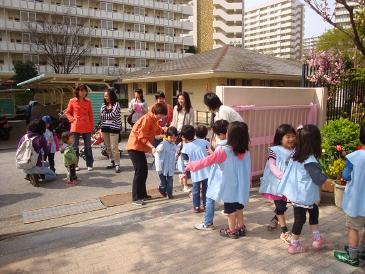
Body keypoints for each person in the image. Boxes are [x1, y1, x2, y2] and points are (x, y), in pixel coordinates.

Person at [186, 121, 251, 239]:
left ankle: (232, 231)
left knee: (230, 210)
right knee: (239, 207)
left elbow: (207, 161)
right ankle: (241, 227)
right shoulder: (245, 151)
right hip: (241, 186)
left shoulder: (224, 150)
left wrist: (192, 166)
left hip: (229, 187)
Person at [277, 125, 327, 254]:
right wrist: (324, 176)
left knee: (302, 218)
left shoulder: (295, 155)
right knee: (311, 215)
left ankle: (296, 244)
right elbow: (318, 179)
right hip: (306, 195)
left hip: (297, 194)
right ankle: (313, 240)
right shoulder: (310, 160)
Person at [334, 124, 365, 267]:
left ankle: (352, 256)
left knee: (353, 228)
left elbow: (346, 176)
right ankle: (362, 250)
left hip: (357, 202)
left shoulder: (354, 157)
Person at [259, 124, 296, 244]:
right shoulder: (274, 150)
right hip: (276, 184)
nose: (291, 139)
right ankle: (285, 231)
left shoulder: (295, 150)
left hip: (288, 183)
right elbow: (272, 165)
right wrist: (281, 176)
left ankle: (275, 219)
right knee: (280, 207)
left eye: (293, 136)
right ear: (280, 138)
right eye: (288, 137)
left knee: (283, 205)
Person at [126, 103, 168, 206]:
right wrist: (152, 147)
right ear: (156, 113)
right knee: (139, 171)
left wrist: (166, 130)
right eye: (161, 115)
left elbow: (158, 130)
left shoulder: (153, 120)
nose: (162, 118)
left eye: (163, 116)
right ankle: (136, 197)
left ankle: (142, 194)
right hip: (134, 147)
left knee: (144, 171)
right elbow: (142, 137)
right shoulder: (147, 119)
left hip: (139, 148)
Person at [194, 119, 229, 231]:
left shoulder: (221, 147)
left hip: (218, 176)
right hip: (227, 176)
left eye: (216, 134)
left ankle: (208, 223)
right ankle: (236, 222)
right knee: (229, 199)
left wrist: (212, 154)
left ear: (221, 134)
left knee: (209, 198)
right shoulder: (231, 145)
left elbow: (216, 161)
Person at [180, 125, 210, 213]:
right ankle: (206, 205)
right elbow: (210, 152)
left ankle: (196, 207)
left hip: (195, 172)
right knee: (206, 189)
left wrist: (185, 173)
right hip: (207, 170)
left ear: (184, 137)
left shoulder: (185, 148)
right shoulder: (204, 142)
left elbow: (186, 163)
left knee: (196, 190)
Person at [18, 119, 57, 186]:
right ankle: (37, 176)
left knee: (46, 164)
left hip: (24, 165)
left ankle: (29, 174)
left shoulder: (24, 137)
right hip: (36, 166)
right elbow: (47, 151)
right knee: (53, 176)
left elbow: (18, 149)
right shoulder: (40, 138)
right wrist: (48, 143)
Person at [65, 83, 94, 171]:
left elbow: (91, 115)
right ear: (77, 91)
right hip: (75, 126)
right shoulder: (72, 101)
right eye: (81, 90)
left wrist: (92, 127)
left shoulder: (88, 102)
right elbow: (67, 112)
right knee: (74, 147)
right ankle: (75, 164)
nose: (83, 92)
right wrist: (72, 119)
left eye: (85, 91)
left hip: (87, 126)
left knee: (88, 146)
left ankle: (89, 164)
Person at [172, 91, 195, 192]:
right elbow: (174, 122)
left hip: (187, 137)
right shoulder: (176, 109)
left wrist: (190, 137)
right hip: (178, 137)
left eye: (182, 99)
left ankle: (185, 181)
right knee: (181, 159)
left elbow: (192, 124)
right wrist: (172, 134)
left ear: (186, 99)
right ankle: (185, 183)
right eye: (179, 99)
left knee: (186, 159)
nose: (180, 101)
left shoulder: (190, 110)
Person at [100, 87, 122, 173]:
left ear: (112, 96)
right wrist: (105, 116)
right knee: (108, 147)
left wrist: (104, 115)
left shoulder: (116, 104)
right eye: (105, 96)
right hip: (105, 128)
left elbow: (112, 115)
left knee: (114, 147)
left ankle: (117, 164)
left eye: (108, 96)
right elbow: (102, 116)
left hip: (114, 128)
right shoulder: (103, 105)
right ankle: (112, 161)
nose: (106, 97)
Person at [155, 126, 178, 199]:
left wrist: (176, 156)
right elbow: (156, 152)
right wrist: (157, 152)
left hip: (170, 167)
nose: (172, 139)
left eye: (174, 138)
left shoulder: (174, 145)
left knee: (170, 181)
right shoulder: (163, 144)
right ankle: (161, 189)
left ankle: (169, 193)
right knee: (164, 182)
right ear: (166, 136)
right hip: (162, 167)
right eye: (171, 137)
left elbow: (176, 153)